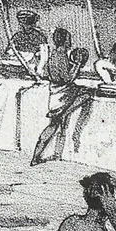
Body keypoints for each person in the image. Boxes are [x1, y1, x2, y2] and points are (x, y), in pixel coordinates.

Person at [30, 28, 93, 166]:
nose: (70, 42)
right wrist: (77, 64)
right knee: (88, 95)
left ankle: (49, 154)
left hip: (55, 93)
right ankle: (38, 156)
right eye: (69, 39)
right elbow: (67, 79)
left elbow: (47, 73)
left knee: (57, 124)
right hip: (63, 95)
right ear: (65, 41)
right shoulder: (61, 56)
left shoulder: (54, 55)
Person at [7, 9, 47, 74]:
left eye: (22, 23)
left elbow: (44, 55)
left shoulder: (39, 36)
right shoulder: (17, 35)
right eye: (20, 22)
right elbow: (9, 51)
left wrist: (39, 68)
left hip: (31, 64)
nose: (20, 25)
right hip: (17, 62)